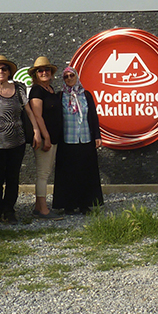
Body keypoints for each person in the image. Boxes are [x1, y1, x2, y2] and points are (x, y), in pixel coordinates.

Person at [0, 55, 40, 224]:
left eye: (4, 69)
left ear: (9, 72)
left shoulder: (19, 91)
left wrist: (36, 131)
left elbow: (29, 112)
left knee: (13, 177)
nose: (0, 72)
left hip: (17, 142)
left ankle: (9, 210)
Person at [52, 66, 103, 214]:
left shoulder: (86, 95)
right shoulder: (60, 96)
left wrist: (97, 136)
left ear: (77, 76)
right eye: (66, 76)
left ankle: (84, 204)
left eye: (71, 75)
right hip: (67, 140)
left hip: (85, 138)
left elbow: (93, 116)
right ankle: (68, 204)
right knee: (68, 174)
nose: (69, 79)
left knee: (85, 173)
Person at [28, 57, 63, 219]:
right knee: (42, 174)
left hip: (53, 137)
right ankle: (43, 209)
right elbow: (37, 115)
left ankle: (38, 206)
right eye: (40, 71)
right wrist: (46, 137)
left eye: (46, 70)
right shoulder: (37, 90)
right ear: (35, 74)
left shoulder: (50, 89)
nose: (44, 73)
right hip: (44, 138)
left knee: (46, 172)